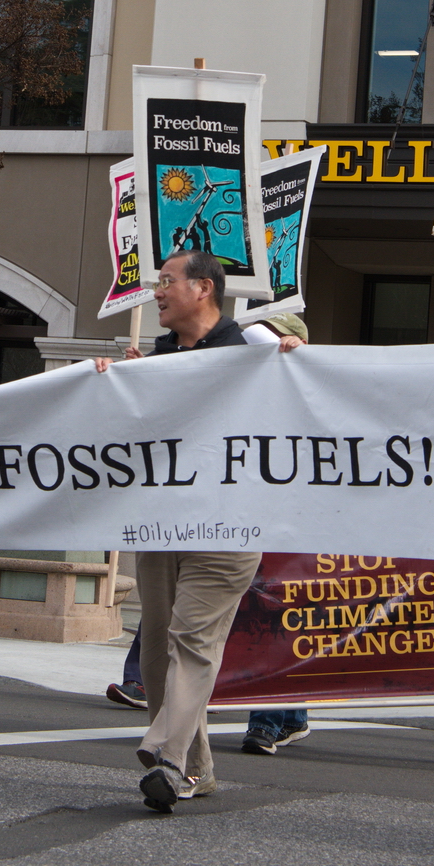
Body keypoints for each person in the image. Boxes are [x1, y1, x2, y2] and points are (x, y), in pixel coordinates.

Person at [92, 251, 302, 810]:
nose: (156, 292)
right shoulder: (157, 358)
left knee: (192, 641)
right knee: (158, 651)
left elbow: (304, 412)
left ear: (203, 288)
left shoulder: (255, 351)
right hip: (162, 527)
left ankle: (165, 755)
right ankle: (196, 769)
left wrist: (298, 365)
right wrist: (110, 386)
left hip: (229, 529)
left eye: (166, 282)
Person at [236, 312, 312, 758]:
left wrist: (304, 359)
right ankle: (292, 716)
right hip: (255, 518)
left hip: (296, 523)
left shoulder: (310, 388)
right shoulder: (251, 387)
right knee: (274, 614)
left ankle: (265, 722)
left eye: (277, 340)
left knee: (278, 614)